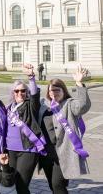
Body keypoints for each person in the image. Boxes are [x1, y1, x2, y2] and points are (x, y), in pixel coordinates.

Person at [38, 65, 91, 194]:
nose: (53, 93)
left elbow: (83, 106)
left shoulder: (69, 104)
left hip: (62, 152)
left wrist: (79, 83)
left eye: (57, 90)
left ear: (63, 90)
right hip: (46, 153)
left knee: (57, 186)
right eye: (51, 90)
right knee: (53, 185)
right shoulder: (44, 105)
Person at [5, 64, 45, 194]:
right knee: (14, 183)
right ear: (13, 93)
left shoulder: (31, 106)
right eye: (17, 91)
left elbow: (34, 95)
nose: (20, 93)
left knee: (22, 185)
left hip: (28, 149)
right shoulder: (9, 107)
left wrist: (31, 78)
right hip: (11, 150)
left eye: (23, 91)